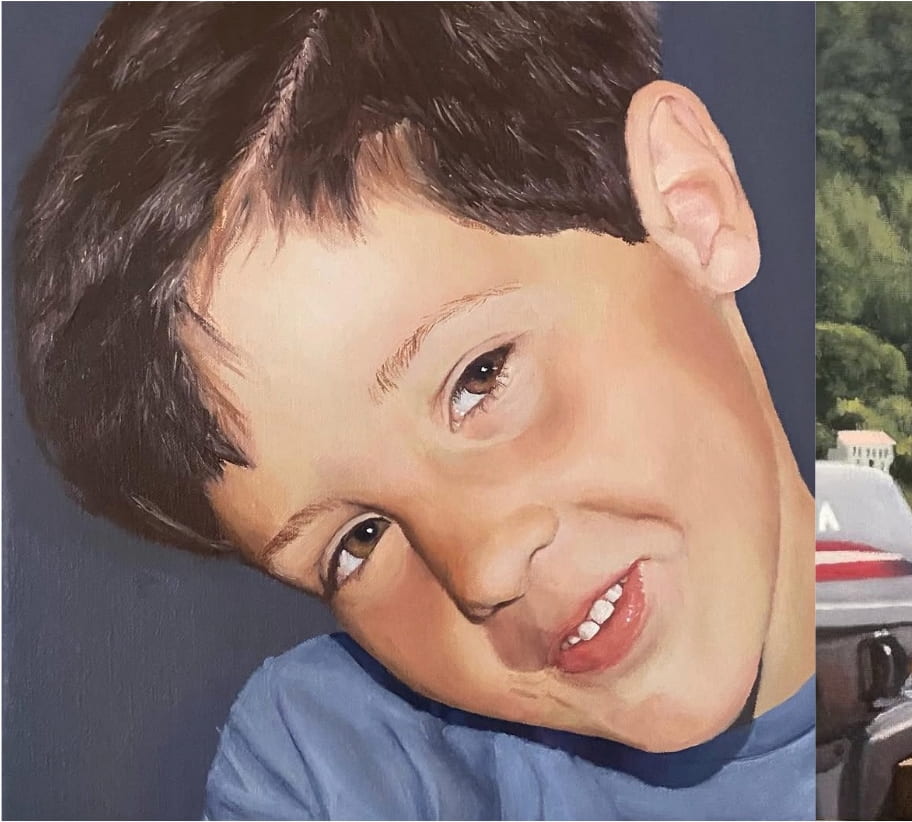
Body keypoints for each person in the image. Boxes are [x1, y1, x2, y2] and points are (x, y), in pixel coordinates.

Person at [11, 5, 814, 817]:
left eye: (480, 377)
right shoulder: (335, 764)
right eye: (357, 541)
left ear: (690, 206)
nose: (482, 570)